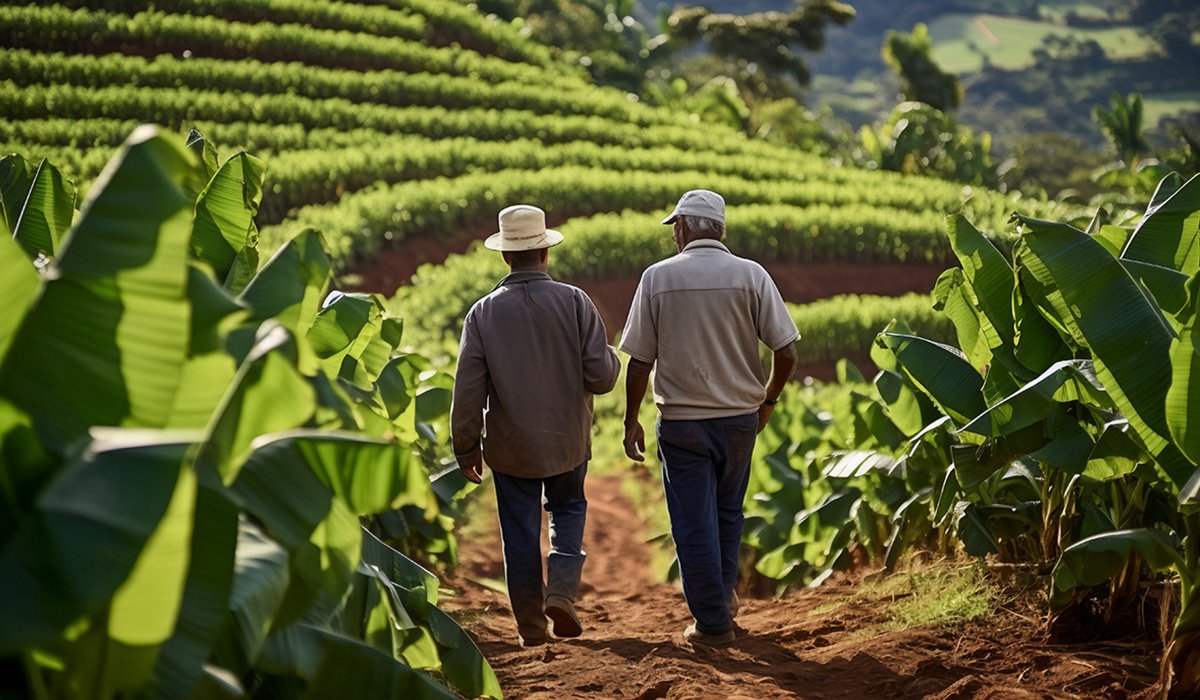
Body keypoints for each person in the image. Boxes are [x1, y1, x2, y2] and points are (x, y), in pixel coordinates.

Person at [619, 189, 799, 646]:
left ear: (682, 228)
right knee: (727, 514)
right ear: (719, 229)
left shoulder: (657, 278)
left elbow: (639, 361)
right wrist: (768, 401)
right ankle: (722, 602)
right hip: (740, 420)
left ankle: (712, 623)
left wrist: (630, 420)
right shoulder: (752, 275)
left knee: (692, 523)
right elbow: (787, 351)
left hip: (682, 423)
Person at [452, 204, 620, 648]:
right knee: (567, 512)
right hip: (568, 440)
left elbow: (468, 391)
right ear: (544, 253)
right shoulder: (576, 302)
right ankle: (562, 592)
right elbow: (601, 378)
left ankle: (531, 629)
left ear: (506, 256)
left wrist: (466, 448)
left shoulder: (482, 314)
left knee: (519, 535)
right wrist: (615, 358)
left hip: (511, 448)